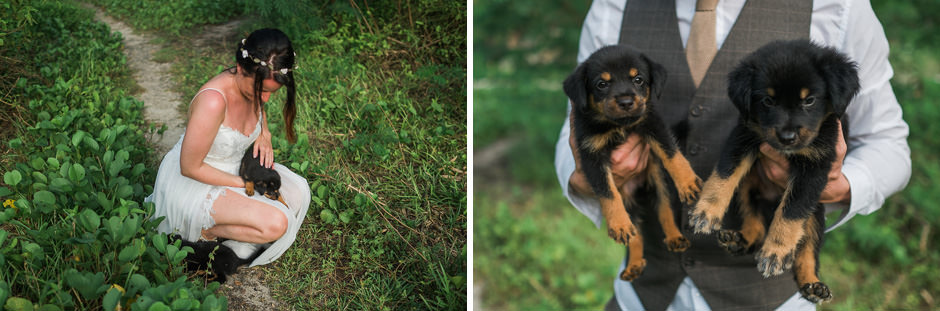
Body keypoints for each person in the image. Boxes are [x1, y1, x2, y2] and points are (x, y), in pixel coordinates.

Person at [554, 0, 910, 310]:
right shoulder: (610, 5)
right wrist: (581, 175)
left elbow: (889, 144)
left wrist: (841, 184)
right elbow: (573, 125)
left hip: (771, 300)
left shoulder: (840, 5)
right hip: (643, 295)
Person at [146, 28, 310, 266]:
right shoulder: (213, 102)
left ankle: (233, 226)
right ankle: (208, 234)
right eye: (261, 90)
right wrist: (245, 185)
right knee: (277, 223)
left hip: (233, 168)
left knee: (299, 193)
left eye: (271, 92)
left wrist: (265, 132)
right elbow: (189, 167)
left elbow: (257, 108)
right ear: (241, 67)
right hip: (197, 181)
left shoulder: (250, 80)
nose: (264, 99)